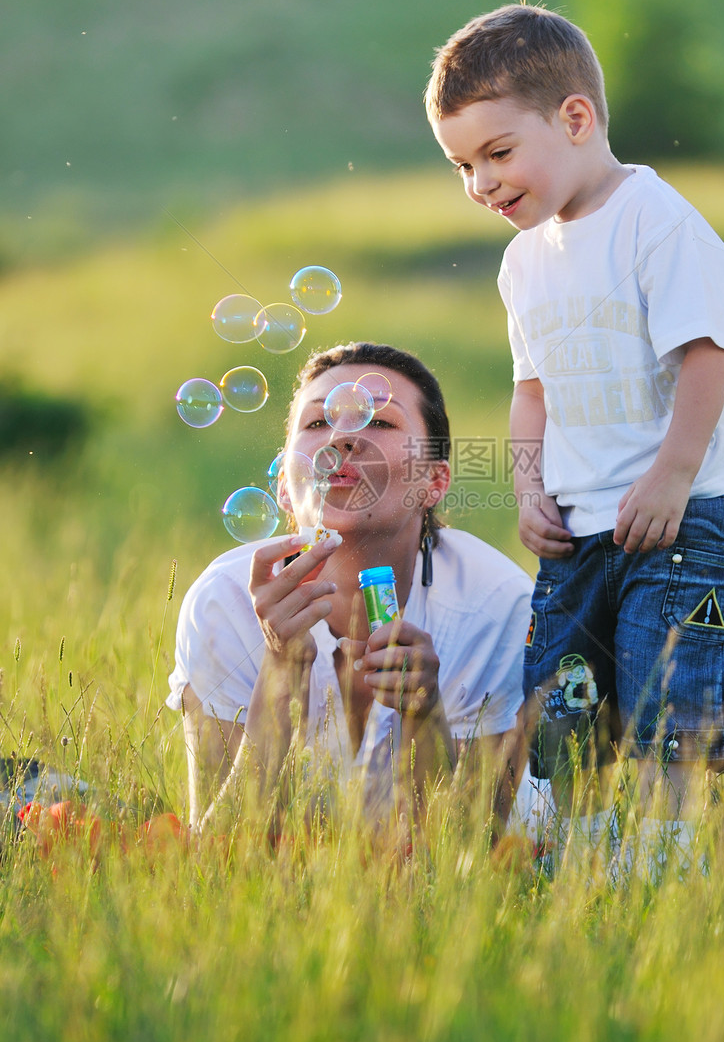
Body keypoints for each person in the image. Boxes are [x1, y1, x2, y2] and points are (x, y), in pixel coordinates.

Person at [425, 4, 724, 873]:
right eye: (463, 165)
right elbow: (529, 392)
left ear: (574, 118)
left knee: (666, 694)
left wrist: (672, 476)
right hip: (578, 526)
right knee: (564, 695)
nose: (481, 183)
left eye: (498, 153)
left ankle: (661, 849)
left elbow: (706, 357)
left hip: (684, 522)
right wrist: (530, 490)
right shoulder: (524, 260)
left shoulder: (658, 222)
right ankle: (560, 847)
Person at [167, 342, 537, 846]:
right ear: (282, 483)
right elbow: (219, 859)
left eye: (380, 423)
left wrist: (424, 714)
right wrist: (281, 667)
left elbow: (465, 863)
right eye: (318, 424)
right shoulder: (223, 602)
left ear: (434, 480)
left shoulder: (495, 605)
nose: (341, 438)